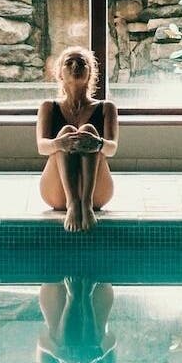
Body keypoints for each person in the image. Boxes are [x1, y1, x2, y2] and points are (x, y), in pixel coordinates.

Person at [38, 46, 119, 232]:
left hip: (98, 192)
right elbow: (42, 147)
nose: (75, 66)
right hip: (57, 193)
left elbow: (112, 149)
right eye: (69, 62)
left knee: (88, 130)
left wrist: (96, 143)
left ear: (91, 72)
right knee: (67, 130)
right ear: (60, 73)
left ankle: (86, 203)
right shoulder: (48, 107)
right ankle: (73, 203)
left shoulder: (107, 108)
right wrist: (60, 143)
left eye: (81, 63)